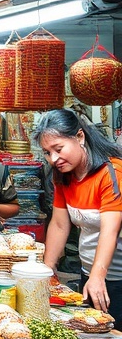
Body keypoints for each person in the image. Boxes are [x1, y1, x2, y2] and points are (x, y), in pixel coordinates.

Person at [36, 108, 122, 312]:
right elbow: (59, 225)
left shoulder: (112, 172)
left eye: (59, 149)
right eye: (47, 153)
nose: (54, 159)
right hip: (89, 271)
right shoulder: (62, 175)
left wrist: (98, 276)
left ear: (79, 136)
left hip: (116, 276)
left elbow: (109, 230)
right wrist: (47, 272)